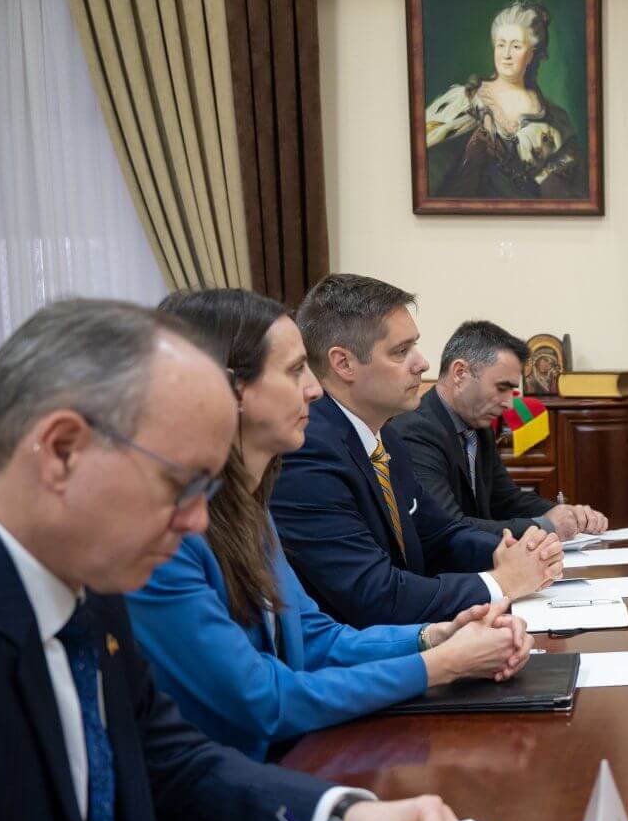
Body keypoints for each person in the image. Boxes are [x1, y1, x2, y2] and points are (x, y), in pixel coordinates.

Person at [0, 300, 482, 821]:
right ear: (61, 452)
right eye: (181, 484)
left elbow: (171, 761)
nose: (199, 522)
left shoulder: (87, 572)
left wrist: (343, 811)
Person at [125, 290, 532, 761]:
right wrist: (439, 665)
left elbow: (315, 637)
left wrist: (433, 637)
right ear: (229, 390)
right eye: (295, 370)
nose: (314, 390)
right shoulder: (165, 535)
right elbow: (262, 699)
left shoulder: (250, 503)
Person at [270, 274, 563, 628]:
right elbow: (376, 596)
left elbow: (440, 535)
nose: (422, 363)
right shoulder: (306, 451)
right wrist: (500, 582)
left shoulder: (386, 438)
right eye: (400, 351)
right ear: (344, 364)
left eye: (415, 347)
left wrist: (518, 552)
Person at [393, 319, 608, 540]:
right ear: (460, 373)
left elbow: (506, 500)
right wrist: (544, 525)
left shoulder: (479, 427)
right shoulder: (416, 431)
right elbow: (448, 526)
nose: (509, 404)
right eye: (501, 388)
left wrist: (565, 513)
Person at [423, 0, 586, 200]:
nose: (506, 55)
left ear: (532, 53)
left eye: (516, 46)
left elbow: (568, 197)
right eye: (501, 45)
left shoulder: (556, 122)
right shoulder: (463, 102)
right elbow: (428, 175)